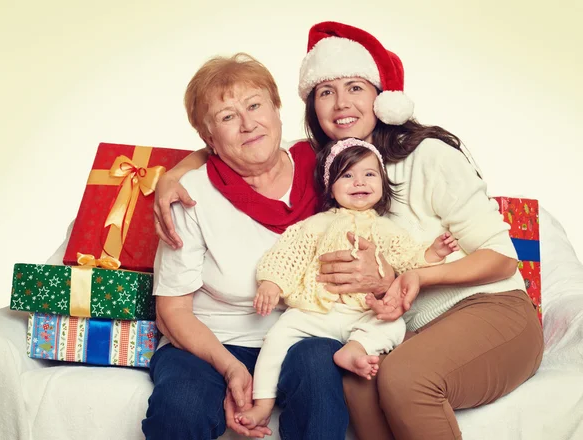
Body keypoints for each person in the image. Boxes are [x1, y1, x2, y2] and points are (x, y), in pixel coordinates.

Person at [152, 21, 544, 440]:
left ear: (382, 98)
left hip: (471, 309)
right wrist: (172, 174)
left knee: (392, 379)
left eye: (356, 87)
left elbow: (501, 258)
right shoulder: (327, 168)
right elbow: (238, 147)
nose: (342, 103)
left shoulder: (411, 158)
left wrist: (411, 274)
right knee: (354, 382)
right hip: (379, 328)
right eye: (325, 91)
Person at [142, 52, 369, 440]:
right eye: (228, 117)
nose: (248, 124)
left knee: (318, 370)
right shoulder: (191, 195)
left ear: (278, 110)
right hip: (213, 340)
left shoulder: (328, 168)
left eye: (254, 105)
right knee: (179, 408)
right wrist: (230, 368)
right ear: (209, 139)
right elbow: (171, 311)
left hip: (302, 335)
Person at [235, 137, 459, 429]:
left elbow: (408, 263)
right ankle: (262, 403)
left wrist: (433, 253)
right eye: (348, 175)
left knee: (394, 326)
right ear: (330, 185)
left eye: (369, 174)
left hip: (362, 314)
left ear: (382, 183)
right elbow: (288, 253)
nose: (359, 182)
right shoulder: (317, 224)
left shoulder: (386, 229)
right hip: (314, 313)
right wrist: (272, 283)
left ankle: (355, 349)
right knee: (276, 339)